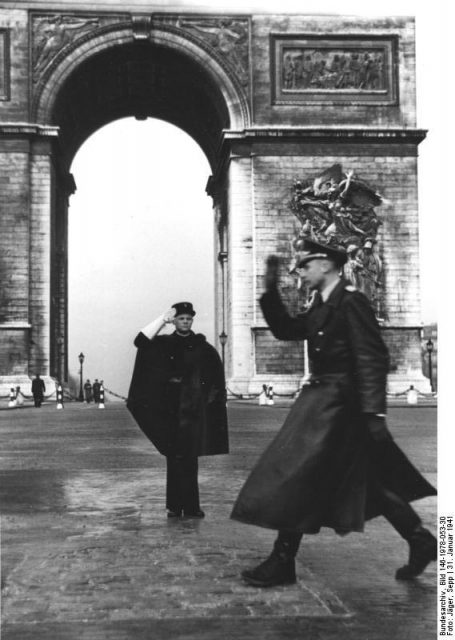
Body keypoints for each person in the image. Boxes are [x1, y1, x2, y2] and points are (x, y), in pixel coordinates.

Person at [231, 239, 437, 586]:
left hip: (340, 406)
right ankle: (420, 540)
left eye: (305, 265)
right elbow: (287, 330)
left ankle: (283, 561)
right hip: (326, 402)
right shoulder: (323, 304)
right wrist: (269, 291)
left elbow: (373, 358)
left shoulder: (351, 302)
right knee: (369, 482)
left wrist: (374, 414)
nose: (301, 272)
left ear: (326, 264)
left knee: (297, 474)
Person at [127, 302, 229, 519]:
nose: (185, 322)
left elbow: (215, 379)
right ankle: (174, 506)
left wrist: (211, 403)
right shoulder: (163, 343)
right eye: (181, 318)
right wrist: (161, 321)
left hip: (192, 413)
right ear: (174, 321)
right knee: (173, 459)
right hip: (171, 412)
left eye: (188, 319)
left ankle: (191, 507)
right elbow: (140, 341)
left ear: (192, 320)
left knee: (190, 460)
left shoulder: (203, 347)